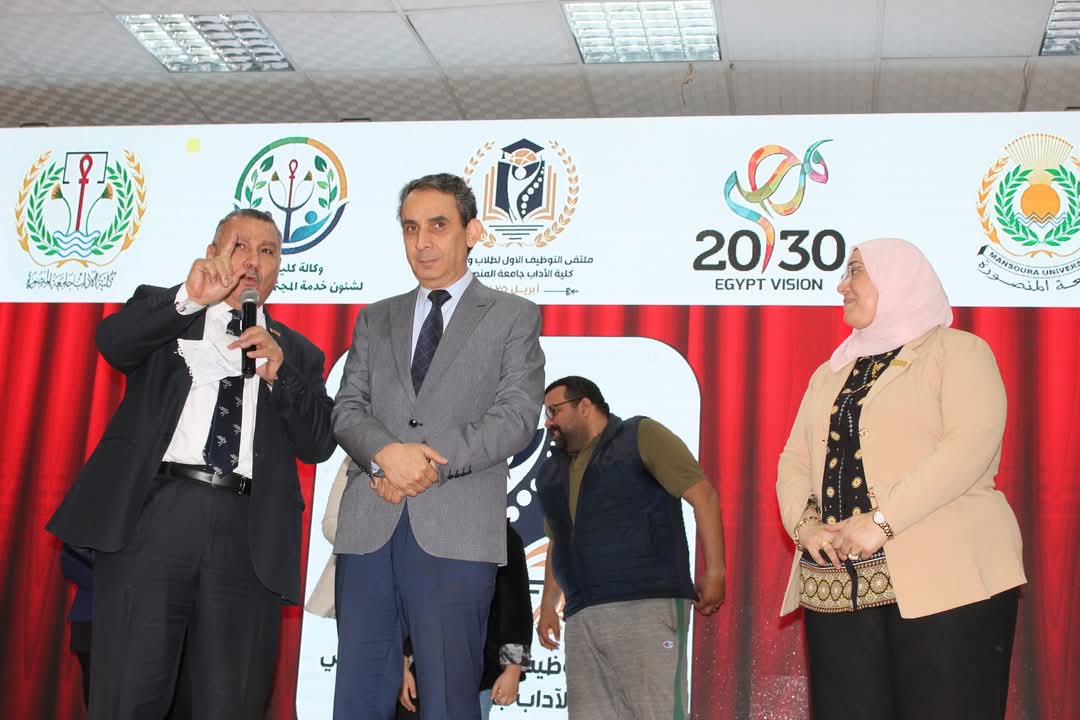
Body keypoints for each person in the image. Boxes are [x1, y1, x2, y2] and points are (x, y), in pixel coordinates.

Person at [47, 208, 336, 719]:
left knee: (230, 702)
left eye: (267, 251)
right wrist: (189, 296)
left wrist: (281, 374)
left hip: (249, 536)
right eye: (239, 246)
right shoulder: (169, 313)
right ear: (213, 253)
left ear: (278, 269)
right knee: (128, 696)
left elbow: (318, 443)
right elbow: (112, 343)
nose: (252, 260)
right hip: (156, 517)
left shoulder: (298, 352)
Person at [776, 238, 1026, 719]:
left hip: (948, 579)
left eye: (855, 271)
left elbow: (970, 445)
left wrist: (881, 522)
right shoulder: (831, 372)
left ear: (898, 280)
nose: (842, 286)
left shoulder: (959, 352)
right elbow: (794, 460)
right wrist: (806, 528)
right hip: (838, 588)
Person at [331, 173, 545, 720]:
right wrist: (386, 457)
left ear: (471, 232)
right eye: (410, 228)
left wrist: (420, 460)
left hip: (457, 533)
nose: (422, 242)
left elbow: (516, 417)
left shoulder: (512, 315)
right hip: (370, 526)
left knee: (449, 700)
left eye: (438, 226)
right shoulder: (375, 317)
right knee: (357, 698)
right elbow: (347, 410)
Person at [534, 376, 726, 720]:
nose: (548, 422)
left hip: (647, 602)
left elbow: (703, 496)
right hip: (580, 613)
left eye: (554, 411)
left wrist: (715, 572)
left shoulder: (641, 435)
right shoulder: (550, 471)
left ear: (585, 406)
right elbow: (557, 539)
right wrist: (549, 604)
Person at [397, 520, 533, 719]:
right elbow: (406, 603)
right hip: (421, 671)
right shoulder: (423, 531)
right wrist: (401, 662)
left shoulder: (502, 536)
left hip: (478, 673)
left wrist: (513, 668)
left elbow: (516, 608)